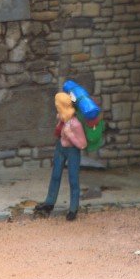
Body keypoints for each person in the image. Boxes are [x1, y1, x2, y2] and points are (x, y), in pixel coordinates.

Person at [34, 92, 87, 221]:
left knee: (73, 179)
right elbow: (58, 133)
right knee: (55, 175)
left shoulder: (76, 124)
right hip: (60, 148)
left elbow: (82, 144)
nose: (57, 108)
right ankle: (49, 203)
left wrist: (71, 135)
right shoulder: (63, 119)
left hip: (72, 151)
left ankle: (73, 208)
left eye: (58, 106)